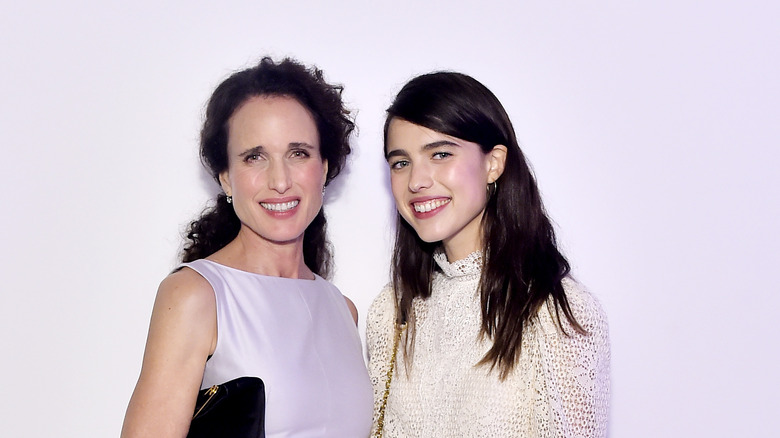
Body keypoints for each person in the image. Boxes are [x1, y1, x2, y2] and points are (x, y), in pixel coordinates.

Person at [122, 57, 373, 437]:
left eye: (298, 153)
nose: (280, 181)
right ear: (226, 177)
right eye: (255, 157)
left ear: (323, 167)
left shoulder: (343, 310)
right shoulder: (196, 296)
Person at [366, 72, 610, 437]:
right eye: (401, 162)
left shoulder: (556, 314)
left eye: (440, 154)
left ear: (493, 163)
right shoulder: (390, 312)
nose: (416, 181)